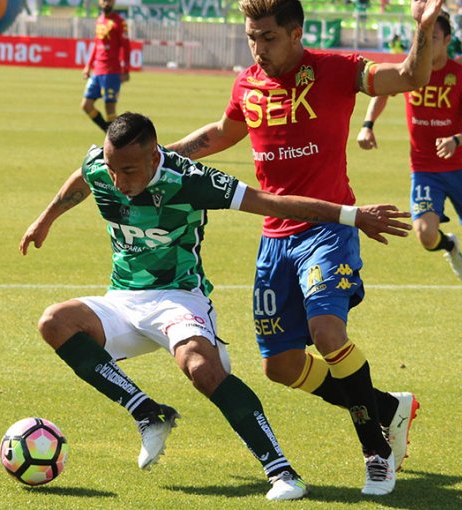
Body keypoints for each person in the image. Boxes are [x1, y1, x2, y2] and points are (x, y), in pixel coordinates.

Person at [20, 113, 413, 501]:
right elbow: (84, 178)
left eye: (129, 171)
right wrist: (45, 219)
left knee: (201, 368)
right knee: (54, 322)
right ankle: (148, 413)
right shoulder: (101, 167)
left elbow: (272, 203)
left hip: (178, 297)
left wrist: (352, 216)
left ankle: (281, 472)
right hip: (122, 299)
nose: (119, 182)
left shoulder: (189, 180)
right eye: (112, 169)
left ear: (154, 157)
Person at [165, 0, 445, 496]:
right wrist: (162, 156)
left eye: (268, 38)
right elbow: (220, 133)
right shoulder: (248, 84)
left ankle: (376, 453)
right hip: (274, 238)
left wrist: (421, 30)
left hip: (329, 228)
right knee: (281, 366)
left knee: (327, 331)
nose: (258, 48)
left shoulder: (336, 71)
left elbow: (409, 77)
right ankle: (388, 408)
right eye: (252, 38)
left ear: (296, 33)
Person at [357, 14, 462, 314]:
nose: (425, 44)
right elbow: (383, 92)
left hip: (459, 167)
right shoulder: (412, 69)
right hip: (424, 168)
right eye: (421, 38)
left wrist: (456, 140)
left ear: (448, 41)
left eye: (433, 38)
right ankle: (448, 246)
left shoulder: (461, 76)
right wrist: (367, 125)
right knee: (426, 235)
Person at [81, 0, 131, 133]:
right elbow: (96, 45)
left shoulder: (119, 22)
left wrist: (125, 70)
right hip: (97, 71)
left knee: (110, 108)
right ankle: (109, 134)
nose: (106, 3)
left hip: (112, 71)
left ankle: (114, 140)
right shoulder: (99, 20)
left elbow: (126, 47)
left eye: (109, 0)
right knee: (86, 105)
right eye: (104, 0)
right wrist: (88, 66)